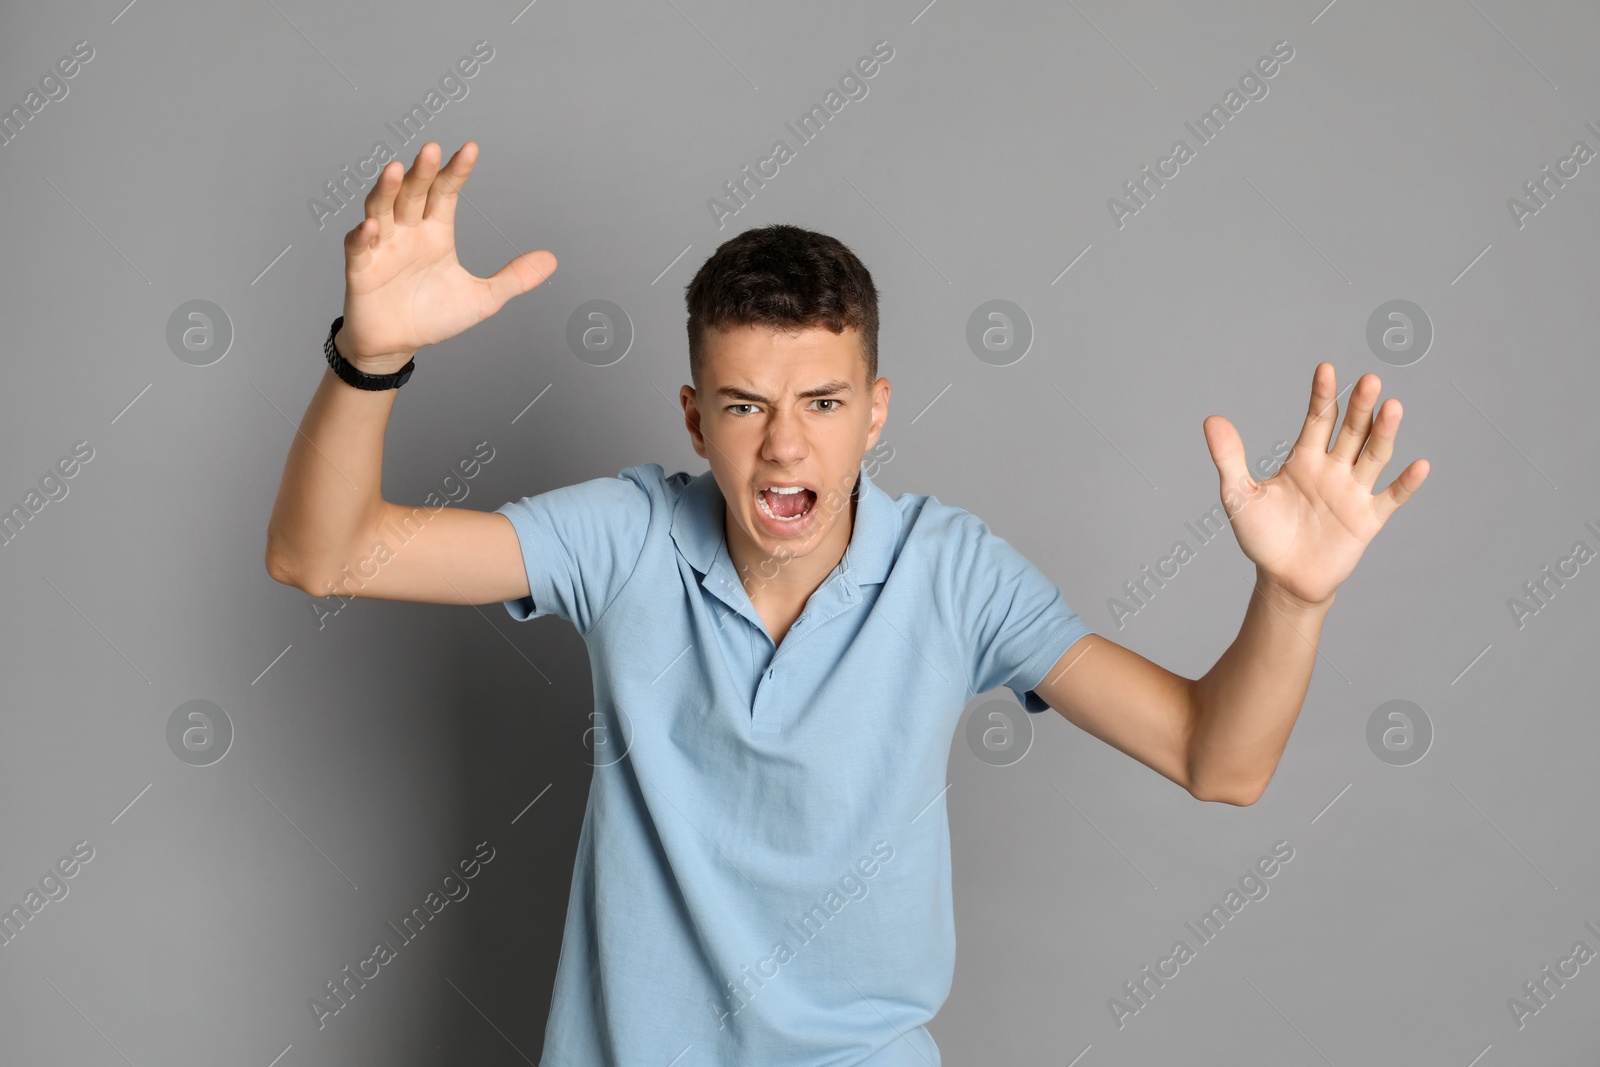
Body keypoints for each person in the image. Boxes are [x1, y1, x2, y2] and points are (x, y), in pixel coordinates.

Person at [265, 141, 1429, 1065]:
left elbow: (1214, 759)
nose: (784, 447)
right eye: (742, 405)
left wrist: (1287, 596)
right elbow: (328, 554)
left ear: (875, 411)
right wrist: (369, 358)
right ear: (690, 416)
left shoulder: (952, 572)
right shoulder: (621, 535)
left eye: (821, 402)